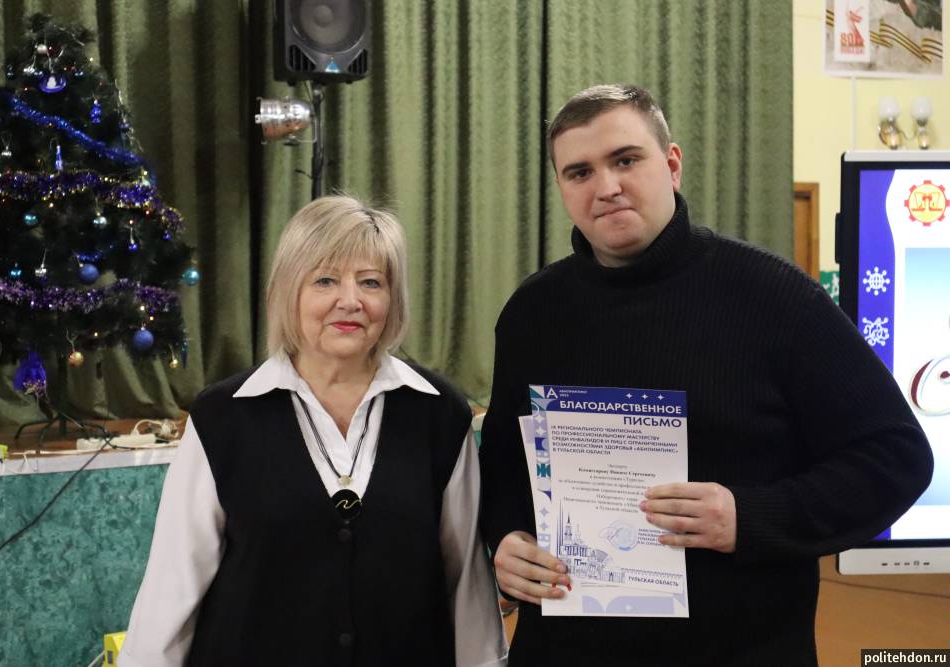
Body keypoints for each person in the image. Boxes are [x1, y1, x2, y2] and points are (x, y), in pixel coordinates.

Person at [478, 84, 934, 666]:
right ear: (563, 188)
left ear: (672, 165)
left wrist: (749, 517)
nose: (606, 186)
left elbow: (896, 459)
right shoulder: (531, 314)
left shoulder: (775, 297)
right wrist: (507, 539)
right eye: (580, 172)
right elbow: (503, 471)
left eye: (625, 160)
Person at [120, 195, 507, 667]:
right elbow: (174, 583)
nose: (351, 301)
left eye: (371, 282)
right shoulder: (223, 417)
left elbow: (465, 579)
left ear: (393, 299)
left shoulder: (440, 413)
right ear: (290, 291)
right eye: (325, 280)